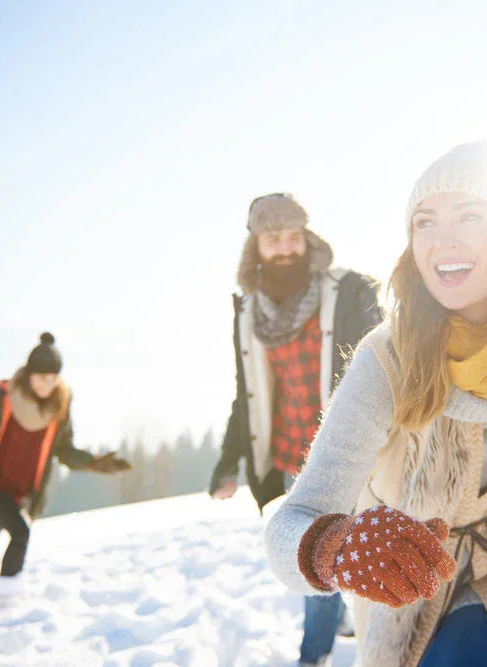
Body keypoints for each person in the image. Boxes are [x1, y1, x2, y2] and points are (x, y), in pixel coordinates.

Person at [264, 141, 487, 667]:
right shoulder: (386, 360)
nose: (444, 241)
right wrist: (337, 548)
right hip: (404, 585)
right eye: (425, 222)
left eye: (470, 216)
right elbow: (290, 522)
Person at [207, 193, 381, 666]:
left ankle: (313, 655)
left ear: (307, 237)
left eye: (292, 236)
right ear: (255, 247)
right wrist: (228, 462)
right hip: (288, 455)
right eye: (272, 239)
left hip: (347, 450)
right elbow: (246, 396)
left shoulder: (349, 292)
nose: (284, 248)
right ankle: (335, 620)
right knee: (319, 549)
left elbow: (388, 367)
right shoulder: (249, 311)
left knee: (319, 549)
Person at [0, 333, 131, 604]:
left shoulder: (59, 406)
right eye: (41, 376)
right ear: (29, 374)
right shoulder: (0, 399)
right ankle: (7, 600)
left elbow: (64, 449)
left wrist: (94, 463)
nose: (47, 383)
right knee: (20, 532)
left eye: (53, 377)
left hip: (20, 488)